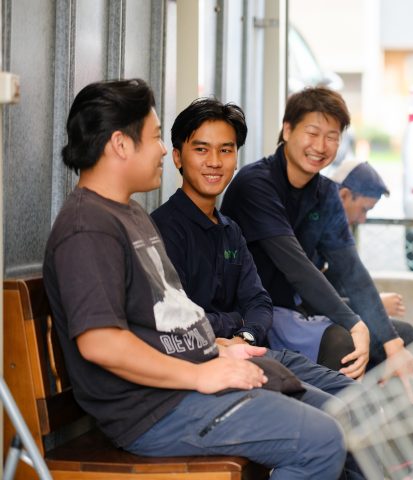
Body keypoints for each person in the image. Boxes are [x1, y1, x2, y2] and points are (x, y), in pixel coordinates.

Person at [42, 79, 349, 479]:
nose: (160, 150)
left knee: (341, 411)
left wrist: (218, 349)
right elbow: (101, 343)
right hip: (154, 410)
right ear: (120, 144)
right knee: (322, 439)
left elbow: (165, 320)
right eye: (154, 137)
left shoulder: (129, 215)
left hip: (187, 380)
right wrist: (200, 373)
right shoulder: (88, 228)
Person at [220, 87, 413, 394]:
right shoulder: (256, 184)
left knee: (402, 337)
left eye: (332, 136)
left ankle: (392, 428)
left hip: (297, 311)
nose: (320, 146)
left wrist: (392, 343)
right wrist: (354, 322)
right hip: (255, 314)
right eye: (312, 133)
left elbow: (350, 270)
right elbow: (296, 266)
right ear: (288, 130)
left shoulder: (326, 193)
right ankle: (340, 425)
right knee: (343, 341)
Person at [328, 158, 410, 321]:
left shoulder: (336, 232)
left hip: (336, 317)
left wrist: (373, 302)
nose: (363, 219)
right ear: (343, 196)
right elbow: (313, 303)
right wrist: (374, 304)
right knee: (404, 331)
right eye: (364, 209)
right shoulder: (314, 233)